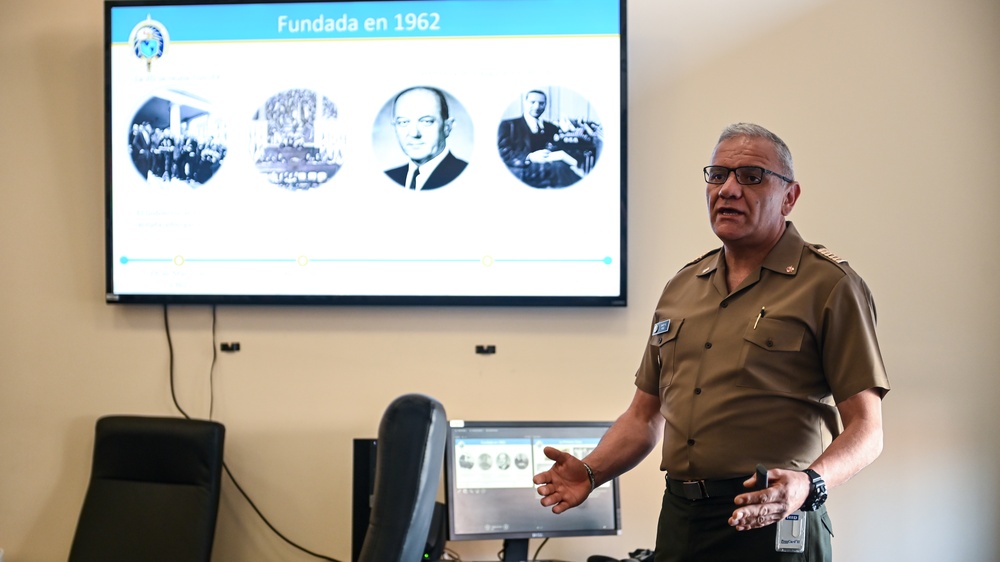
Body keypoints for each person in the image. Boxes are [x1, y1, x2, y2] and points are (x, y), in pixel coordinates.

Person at [533, 123, 890, 562]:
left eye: (752, 176)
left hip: (772, 519)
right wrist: (591, 471)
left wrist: (809, 484)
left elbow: (868, 431)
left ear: (790, 196)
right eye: (718, 175)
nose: (729, 189)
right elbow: (645, 417)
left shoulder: (829, 285)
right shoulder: (681, 287)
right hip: (683, 521)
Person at [384, 86, 467, 190]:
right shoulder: (389, 177)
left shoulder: (466, 175)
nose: (414, 133)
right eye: (403, 122)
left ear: (447, 127)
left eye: (426, 121)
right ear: (395, 126)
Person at [497, 89, 585, 188]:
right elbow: (503, 152)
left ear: (545, 105)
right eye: (532, 102)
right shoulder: (508, 125)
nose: (537, 107)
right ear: (525, 103)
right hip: (522, 170)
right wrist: (529, 157)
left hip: (548, 170)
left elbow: (559, 147)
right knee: (561, 170)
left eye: (541, 103)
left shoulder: (550, 127)